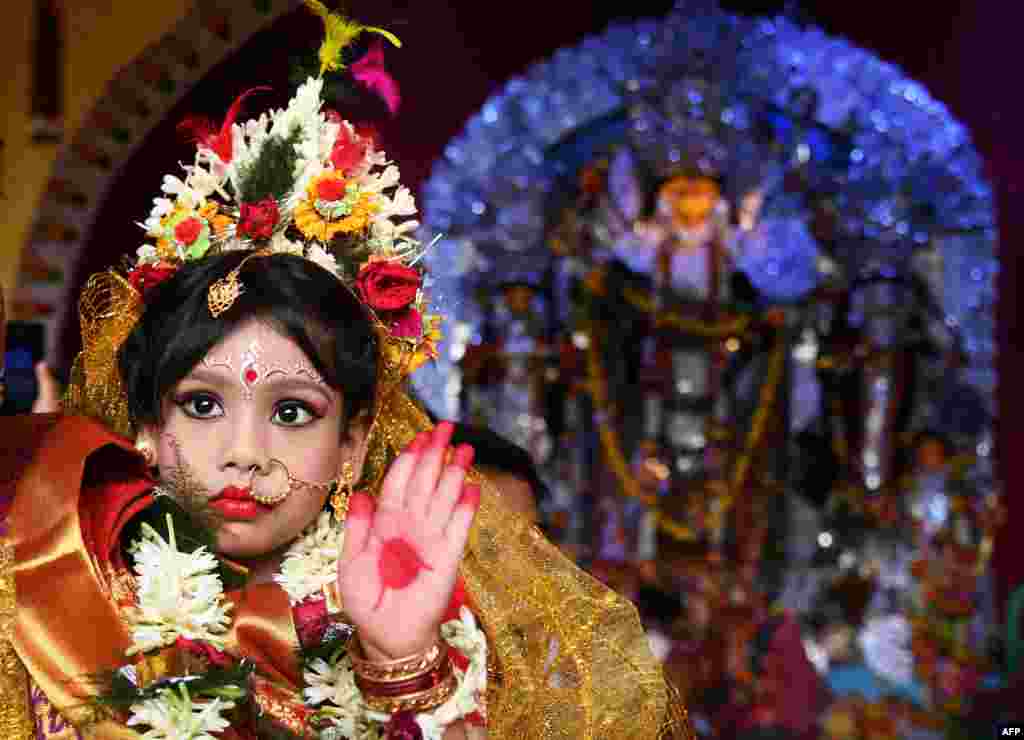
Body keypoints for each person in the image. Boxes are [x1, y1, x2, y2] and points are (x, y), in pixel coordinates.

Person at [0, 11, 692, 739]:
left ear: (354, 447)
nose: (245, 451)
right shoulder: (47, 595)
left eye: (292, 411)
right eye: (202, 404)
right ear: (146, 428)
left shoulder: (444, 641)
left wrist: (402, 664)